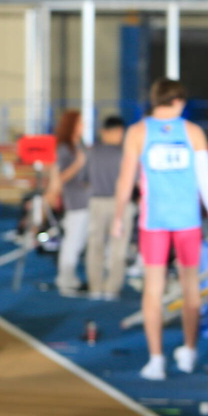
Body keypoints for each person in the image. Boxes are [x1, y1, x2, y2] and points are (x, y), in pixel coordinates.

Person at [114, 79, 208, 380]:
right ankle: (189, 351)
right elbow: (206, 178)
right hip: (187, 220)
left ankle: (156, 359)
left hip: (154, 221)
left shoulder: (139, 132)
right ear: (179, 101)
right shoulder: (192, 132)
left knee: (153, 289)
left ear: (154, 101)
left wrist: (118, 216)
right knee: (191, 288)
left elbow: (126, 180)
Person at [85, 116, 133, 300]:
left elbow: (84, 178)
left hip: (97, 202)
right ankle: (111, 288)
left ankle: (96, 287)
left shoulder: (92, 152)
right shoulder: (126, 153)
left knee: (95, 246)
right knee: (117, 248)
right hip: (121, 203)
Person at [48, 110, 89, 296]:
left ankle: (70, 277)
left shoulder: (79, 145)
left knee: (79, 242)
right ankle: (64, 279)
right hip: (74, 200)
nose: (84, 126)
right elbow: (59, 179)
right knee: (72, 242)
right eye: (81, 123)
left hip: (86, 198)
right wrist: (78, 164)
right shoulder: (64, 148)